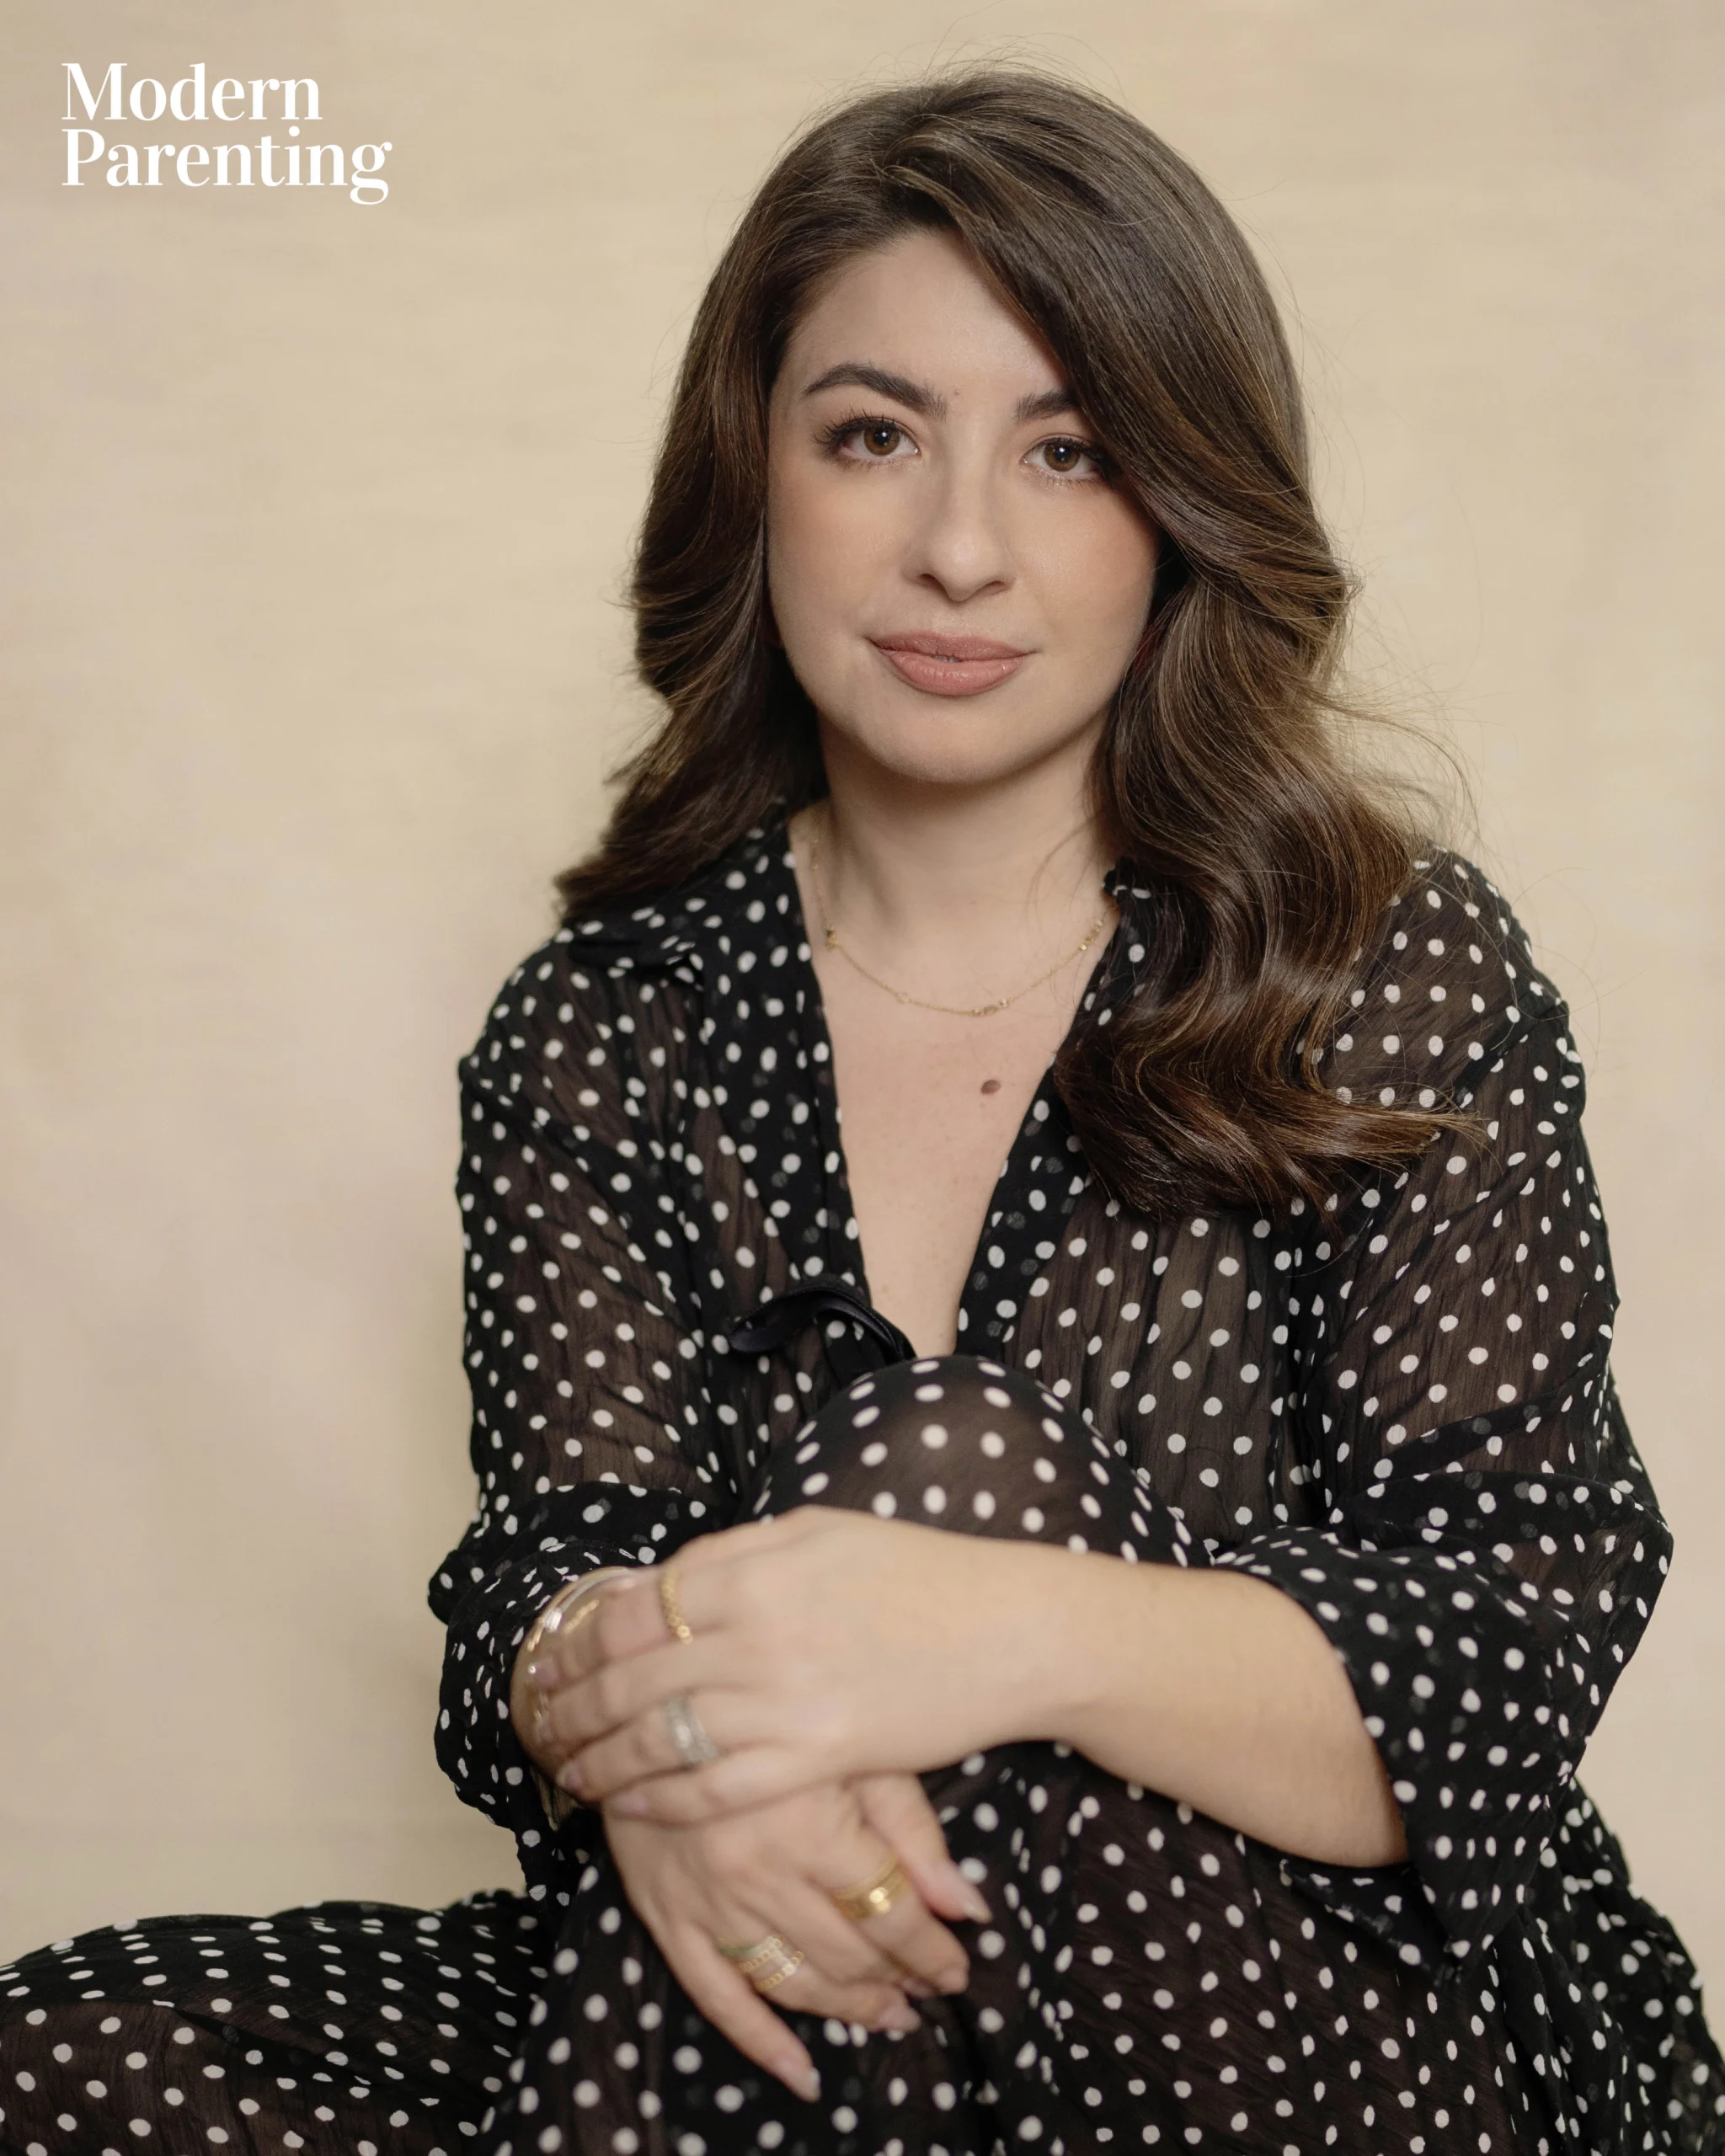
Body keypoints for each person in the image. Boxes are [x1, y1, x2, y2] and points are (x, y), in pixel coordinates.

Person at [2, 61, 1720, 2156]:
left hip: (1328, 2017)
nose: (961, 547)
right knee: (78, 2050)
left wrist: (986, 1625)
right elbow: (546, 1580)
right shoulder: (611, 1019)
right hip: (751, 1955)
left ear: (1179, 511)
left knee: (935, 1463)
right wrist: (665, 1733)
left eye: (1068, 450)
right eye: (873, 435)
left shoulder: (1372, 962)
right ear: (757, 475)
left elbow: (1505, 1652)